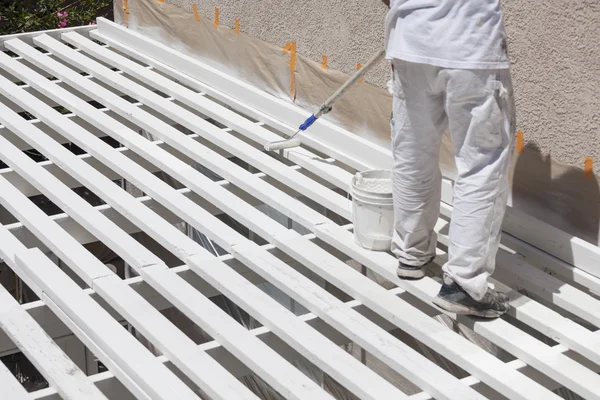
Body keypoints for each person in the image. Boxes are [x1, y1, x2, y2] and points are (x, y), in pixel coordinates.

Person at [383, 0, 516, 318]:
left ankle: (411, 253)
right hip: (469, 43)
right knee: (482, 161)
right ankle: (464, 284)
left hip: (411, 40)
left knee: (412, 153)